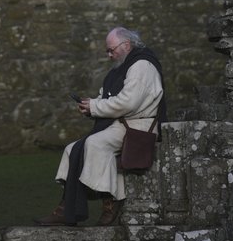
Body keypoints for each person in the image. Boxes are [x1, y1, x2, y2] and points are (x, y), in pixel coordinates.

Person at [35, 26, 166, 226]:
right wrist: (92, 104)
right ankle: (67, 207)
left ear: (126, 45)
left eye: (111, 50)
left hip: (138, 127)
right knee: (73, 149)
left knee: (95, 144)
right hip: (122, 124)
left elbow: (127, 103)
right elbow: (111, 97)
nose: (109, 54)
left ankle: (112, 202)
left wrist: (95, 106)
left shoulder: (142, 66)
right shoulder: (124, 66)